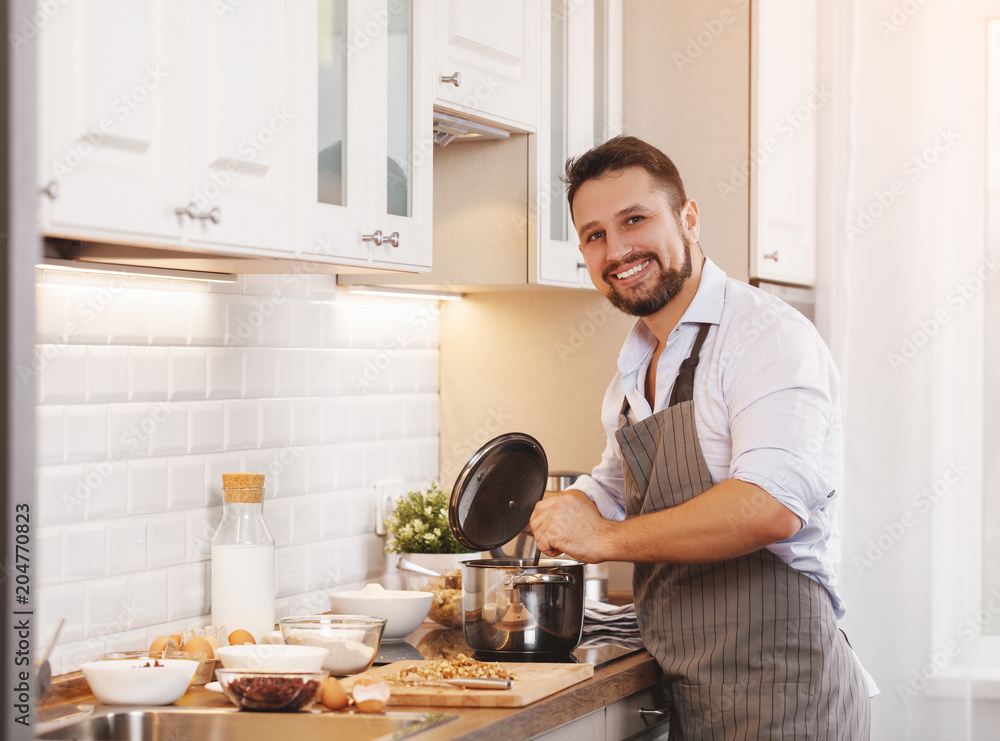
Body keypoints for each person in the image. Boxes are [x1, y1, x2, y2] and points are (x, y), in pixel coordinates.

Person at [529, 136, 876, 740]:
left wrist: (604, 537)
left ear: (688, 217)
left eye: (634, 220)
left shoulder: (764, 338)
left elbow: (768, 508)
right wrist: (573, 506)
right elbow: (616, 479)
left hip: (786, 693)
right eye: (594, 235)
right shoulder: (637, 367)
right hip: (697, 691)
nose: (617, 249)